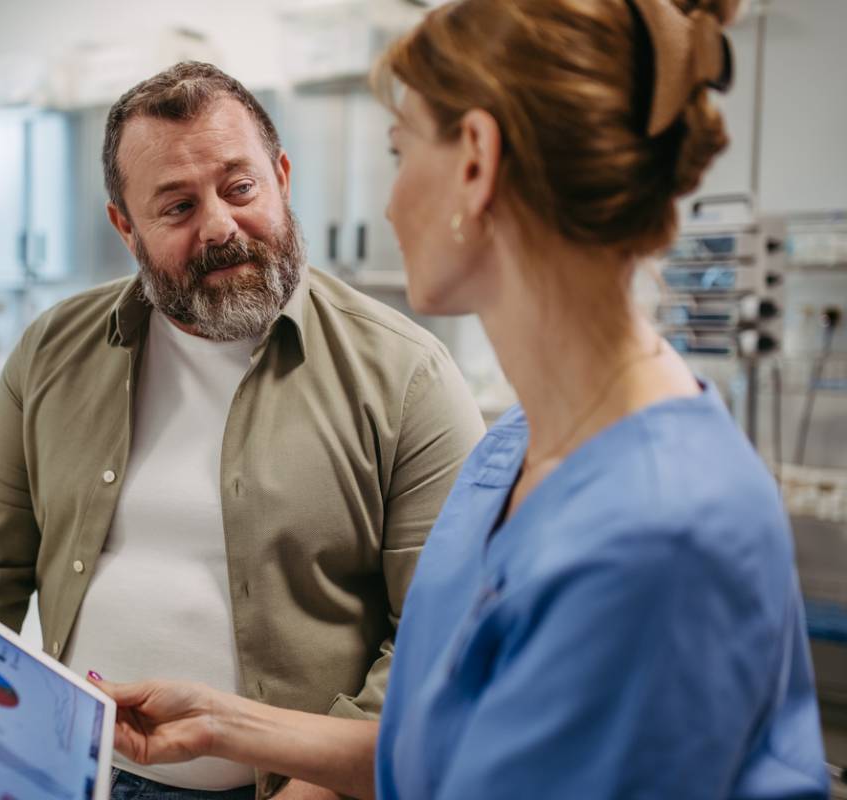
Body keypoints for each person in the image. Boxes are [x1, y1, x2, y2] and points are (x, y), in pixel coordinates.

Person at [89, 1, 830, 797]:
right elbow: (456, 747)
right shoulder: (513, 453)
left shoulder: (662, 530)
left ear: (474, 163)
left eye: (402, 152)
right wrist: (231, 724)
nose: (390, 201)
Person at [0, 62, 486, 800]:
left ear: (282, 176)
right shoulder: (52, 351)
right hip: (66, 771)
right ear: (125, 226)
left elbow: (441, 639)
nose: (220, 226)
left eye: (240, 187)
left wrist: (314, 791)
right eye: (177, 206)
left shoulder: (408, 376)